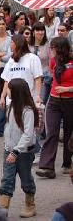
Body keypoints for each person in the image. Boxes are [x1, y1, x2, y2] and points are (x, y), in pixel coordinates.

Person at [0, 78, 38, 218]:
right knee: (7, 179)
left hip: (23, 153)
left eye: (8, 88)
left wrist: (16, 151)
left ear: (15, 91)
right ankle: (3, 208)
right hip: (9, 150)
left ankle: (30, 204)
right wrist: (8, 147)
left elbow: (28, 134)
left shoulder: (28, 110)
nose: (6, 91)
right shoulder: (11, 105)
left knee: (26, 178)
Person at [37, 37, 73, 179]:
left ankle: (66, 162)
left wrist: (67, 88)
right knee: (51, 132)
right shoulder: (53, 61)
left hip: (70, 101)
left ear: (61, 48)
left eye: (53, 48)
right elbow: (52, 78)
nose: (50, 50)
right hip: (54, 102)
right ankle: (47, 167)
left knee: (69, 133)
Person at [0, 34, 43, 109]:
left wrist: (38, 95)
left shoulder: (33, 58)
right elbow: (7, 80)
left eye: (12, 42)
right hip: (12, 101)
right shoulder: (11, 60)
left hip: (29, 100)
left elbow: (38, 78)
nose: (10, 45)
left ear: (18, 43)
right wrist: (2, 96)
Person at [30, 22, 52, 105]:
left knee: (40, 102)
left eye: (42, 30)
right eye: (38, 30)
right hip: (30, 78)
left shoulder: (47, 45)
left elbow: (51, 61)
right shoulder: (28, 45)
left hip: (44, 78)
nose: (40, 32)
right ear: (33, 32)